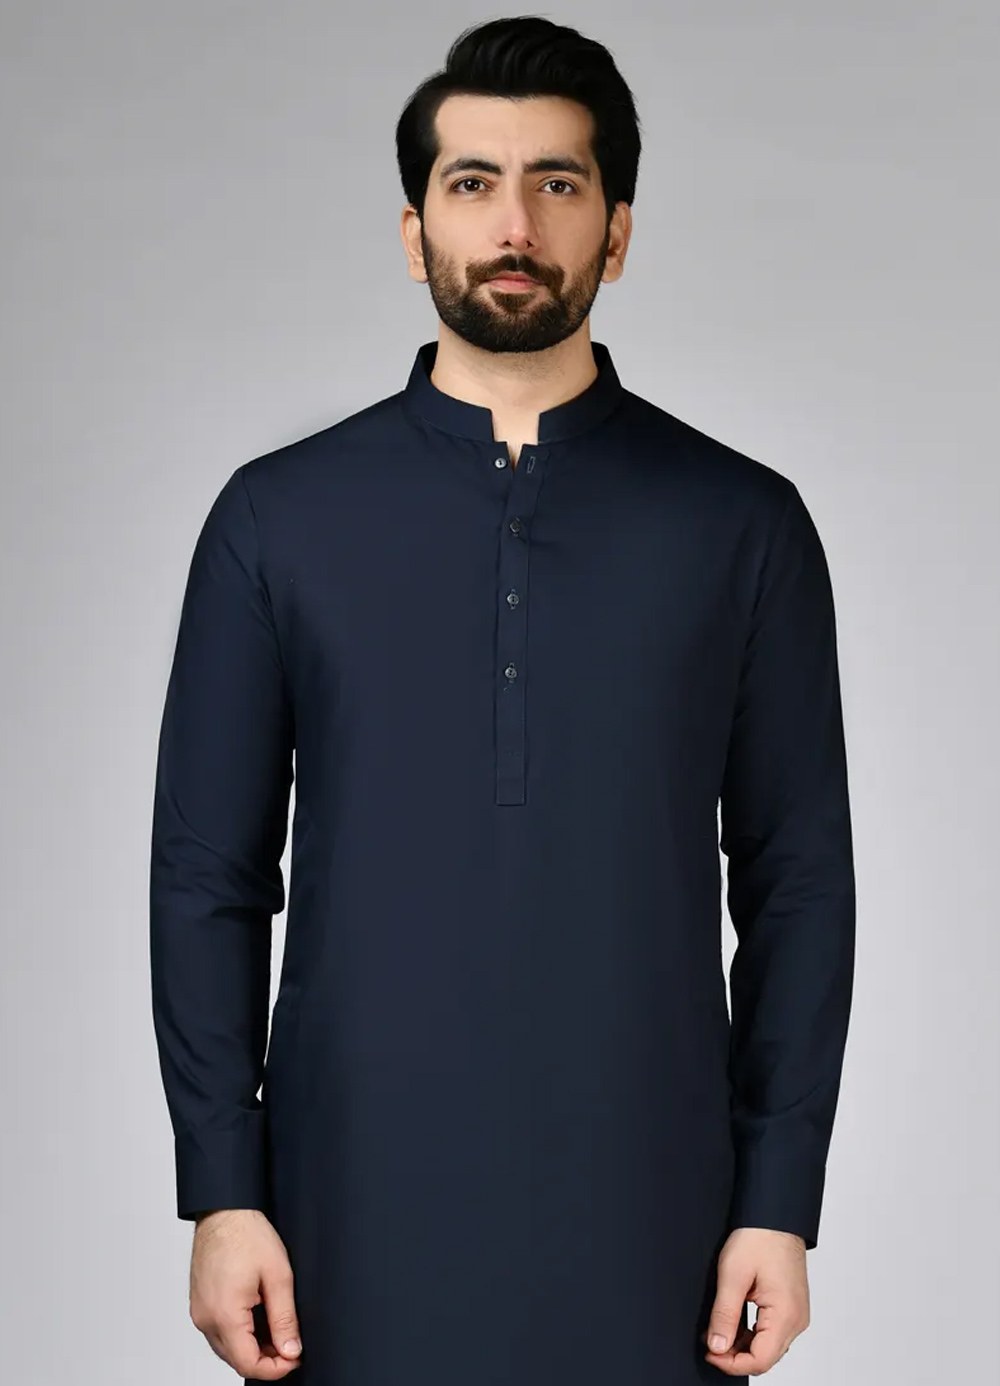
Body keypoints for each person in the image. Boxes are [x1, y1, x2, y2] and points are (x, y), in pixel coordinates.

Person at [149, 15, 856, 1385]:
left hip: (657, 1214)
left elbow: (799, 883)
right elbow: (207, 874)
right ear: (414, 230)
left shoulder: (742, 525)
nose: (515, 224)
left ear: (618, 231)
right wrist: (221, 1190)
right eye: (472, 182)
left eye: (558, 182)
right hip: (345, 1210)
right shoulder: (277, 519)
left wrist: (779, 1198)